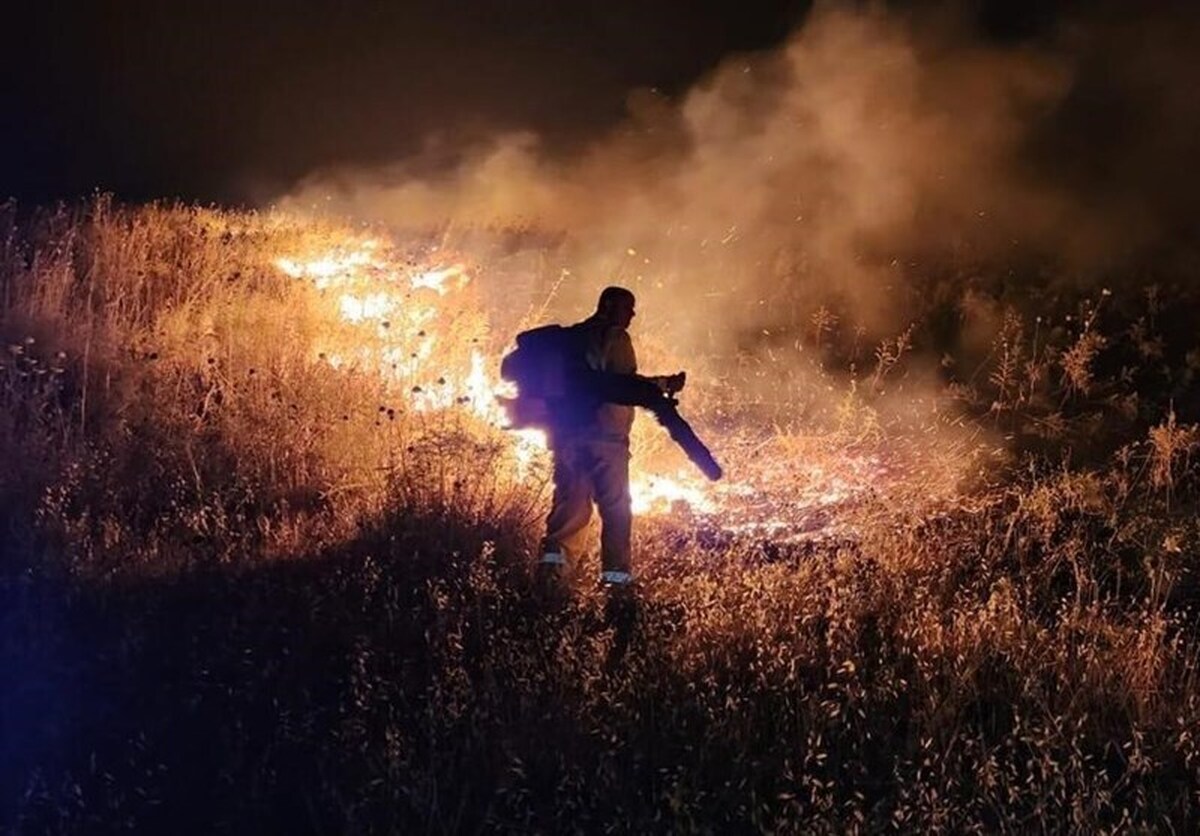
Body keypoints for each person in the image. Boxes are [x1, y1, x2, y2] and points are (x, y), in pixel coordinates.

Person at [538, 286, 684, 588]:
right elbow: (621, 385)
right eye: (627, 308)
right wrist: (660, 386)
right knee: (616, 512)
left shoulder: (572, 338)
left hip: (569, 440)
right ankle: (616, 589)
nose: (632, 315)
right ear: (608, 306)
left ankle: (550, 586)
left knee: (569, 512)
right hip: (605, 440)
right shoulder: (615, 337)